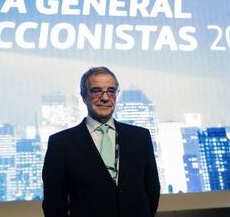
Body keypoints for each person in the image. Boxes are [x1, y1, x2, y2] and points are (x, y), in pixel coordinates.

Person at [42, 66, 160, 217]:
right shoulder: (60, 144)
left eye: (111, 91)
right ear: (84, 96)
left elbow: (152, 189)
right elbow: (54, 204)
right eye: (97, 90)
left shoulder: (140, 137)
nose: (105, 97)